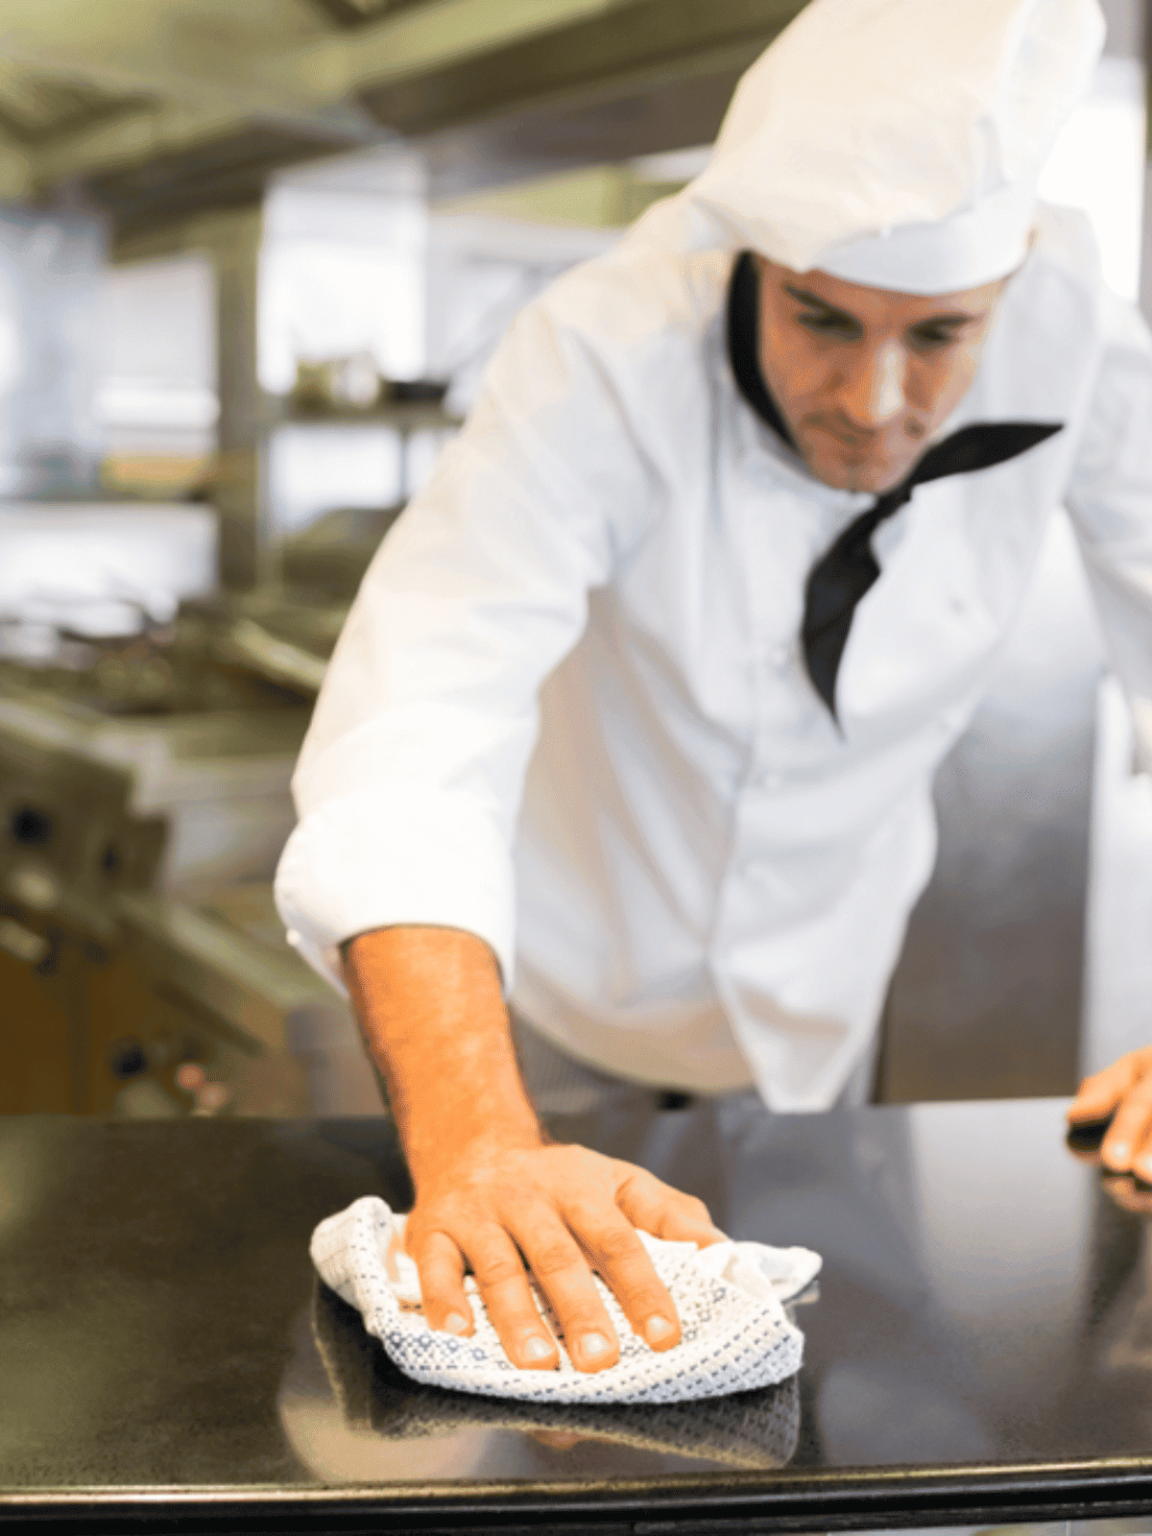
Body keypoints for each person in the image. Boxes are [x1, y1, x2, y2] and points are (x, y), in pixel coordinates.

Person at [276, 0, 1152, 1374]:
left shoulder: (1083, 335)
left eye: (940, 336)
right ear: (750, 259)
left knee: (811, 1394)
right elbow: (421, 714)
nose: (874, 399)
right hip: (551, 1008)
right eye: (820, 318)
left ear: (1014, 275)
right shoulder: (601, 349)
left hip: (821, 1012)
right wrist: (485, 1146)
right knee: (529, 1416)